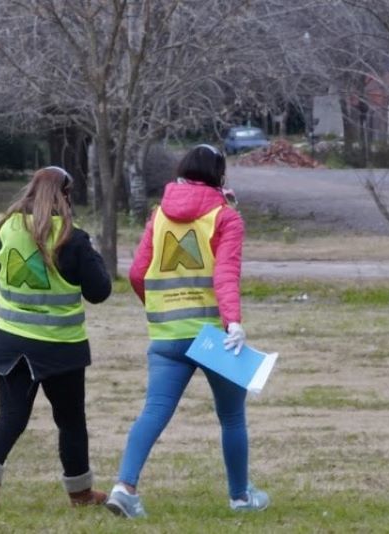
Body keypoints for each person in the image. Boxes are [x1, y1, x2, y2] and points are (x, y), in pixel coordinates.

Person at [105, 144, 269, 519]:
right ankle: (240, 497)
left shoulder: (158, 215)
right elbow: (225, 274)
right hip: (213, 337)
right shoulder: (226, 218)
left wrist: (159, 307)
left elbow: (137, 272)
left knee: (153, 412)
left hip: (166, 334)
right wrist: (234, 322)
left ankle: (124, 487)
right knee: (232, 417)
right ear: (220, 176)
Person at [0, 166, 112, 510]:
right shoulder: (72, 237)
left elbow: (0, 278)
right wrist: (91, 253)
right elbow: (99, 291)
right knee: (71, 421)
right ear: (66, 195)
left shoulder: (9, 227)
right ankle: (81, 494)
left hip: (9, 342)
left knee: (11, 417)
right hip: (60, 348)